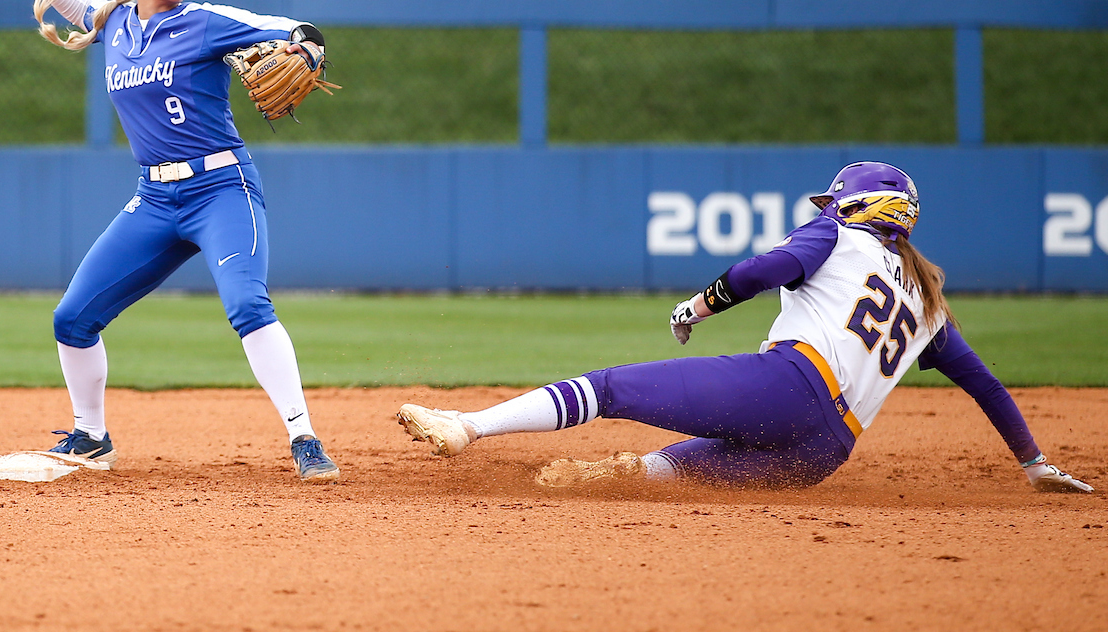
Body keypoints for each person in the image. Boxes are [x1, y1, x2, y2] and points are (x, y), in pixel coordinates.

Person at [398, 161, 1094, 495]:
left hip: (790, 387)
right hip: (825, 453)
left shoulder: (837, 234)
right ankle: (595, 481)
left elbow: (767, 269)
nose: (829, 206)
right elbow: (987, 386)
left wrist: (699, 306)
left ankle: (470, 427)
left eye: (837, 200)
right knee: (659, 477)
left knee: (609, 387)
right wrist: (1033, 462)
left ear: (859, 205)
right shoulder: (929, 303)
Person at [0, 0, 340, 483]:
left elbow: (293, 28)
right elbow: (81, 4)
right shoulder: (116, 26)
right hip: (156, 197)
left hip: (221, 188)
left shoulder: (205, 23)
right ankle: (91, 436)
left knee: (248, 306)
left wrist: (306, 45)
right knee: (72, 318)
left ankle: (304, 437)